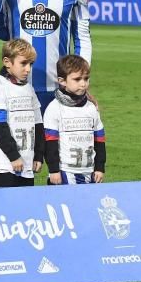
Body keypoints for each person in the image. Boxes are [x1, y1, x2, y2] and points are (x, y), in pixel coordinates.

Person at [0, 39, 44, 188]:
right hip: (6, 166)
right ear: (7, 62)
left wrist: (38, 155)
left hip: (27, 166)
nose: (28, 69)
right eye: (23, 63)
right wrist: (14, 156)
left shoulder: (29, 89)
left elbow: (38, 124)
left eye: (30, 64)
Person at [43, 54, 106, 185]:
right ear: (62, 81)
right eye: (77, 79)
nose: (83, 84)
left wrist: (100, 167)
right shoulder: (54, 108)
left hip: (90, 172)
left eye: (86, 78)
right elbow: (50, 143)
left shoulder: (91, 107)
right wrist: (54, 170)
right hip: (65, 172)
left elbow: (99, 140)